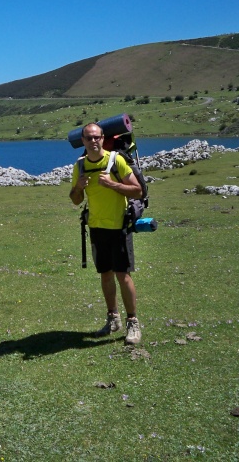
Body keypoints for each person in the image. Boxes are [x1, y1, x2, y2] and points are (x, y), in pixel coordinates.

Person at [69, 122, 144, 345]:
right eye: (89, 138)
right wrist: (79, 187)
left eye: (97, 137)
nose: (93, 141)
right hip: (96, 227)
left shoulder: (115, 161)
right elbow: (75, 200)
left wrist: (112, 185)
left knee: (123, 275)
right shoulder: (80, 165)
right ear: (82, 141)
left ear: (103, 138)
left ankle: (133, 322)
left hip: (119, 225)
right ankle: (113, 318)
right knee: (105, 274)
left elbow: (138, 190)